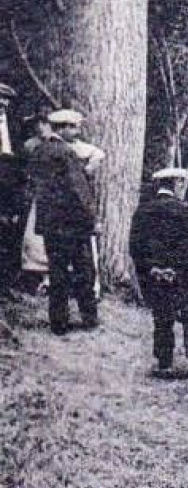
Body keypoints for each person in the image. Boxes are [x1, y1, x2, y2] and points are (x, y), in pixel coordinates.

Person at [130, 167, 188, 377]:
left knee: (162, 316)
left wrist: (152, 268)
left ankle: (164, 364)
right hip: (182, 273)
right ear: (175, 184)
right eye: (180, 184)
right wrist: (179, 269)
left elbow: (135, 246)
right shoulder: (184, 210)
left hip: (155, 274)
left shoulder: (143, 210)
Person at [29, 108, 100, 333]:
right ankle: (89, 319)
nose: (77, 133)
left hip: (50, 224)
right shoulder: (66, 153)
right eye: (75, 128)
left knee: (57, 272)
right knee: (84, 271)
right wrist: (92, 220)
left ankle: (58, 323)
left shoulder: (39, 151)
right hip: (73, 224)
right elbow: (79, 191)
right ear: (65, 128)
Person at [0, 83, 24, 298]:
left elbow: (20, 159)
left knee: (10, 236)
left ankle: (5, 286)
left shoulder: (15, 125)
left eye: (5, 100)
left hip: (10, 184)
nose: (2, 104)